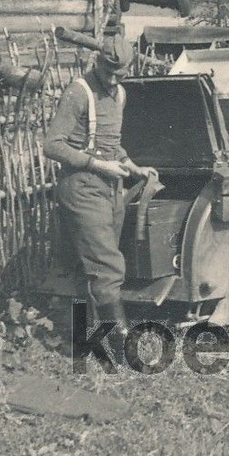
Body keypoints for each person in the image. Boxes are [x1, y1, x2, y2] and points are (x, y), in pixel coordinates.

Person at [43, 33, 157, 340]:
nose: (112, 80)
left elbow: (110, 144)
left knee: (94, 265)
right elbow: (52, 146)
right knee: (107, 265)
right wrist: (96, 165)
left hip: (110, 190)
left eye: (120, 75)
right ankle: (122, 348)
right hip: (81, 188)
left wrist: (131, 165)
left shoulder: (119, 94)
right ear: (97, 63)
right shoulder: (78, 92)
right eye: (108, 73)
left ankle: (82, 337)